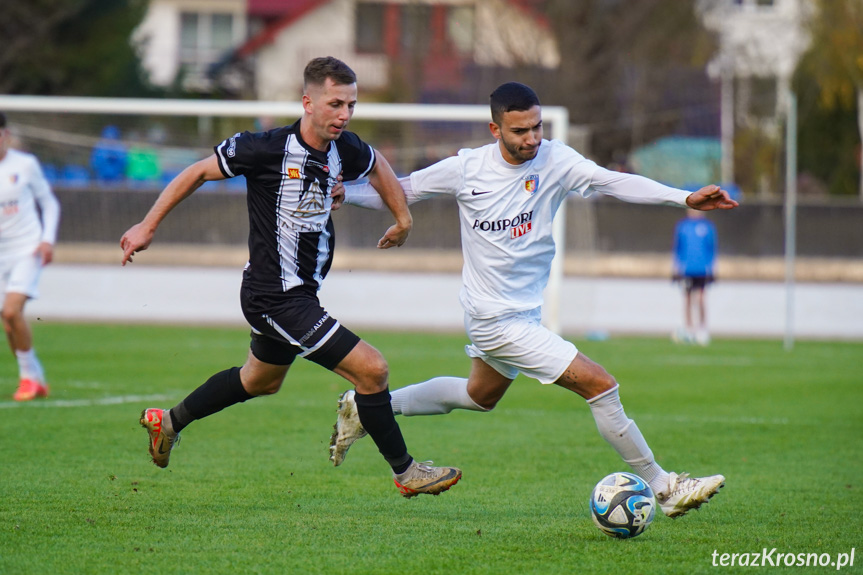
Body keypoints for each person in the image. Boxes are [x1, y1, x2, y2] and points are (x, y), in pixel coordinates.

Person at [330, 82, 738, 517]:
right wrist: (346, 194)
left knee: (479, 396)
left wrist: (683, 197)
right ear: (495, 129)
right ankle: (664, 486)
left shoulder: (556, 160)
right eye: (520, 130)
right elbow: (403, 190)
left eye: (537, 127)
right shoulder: (466, 169)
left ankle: (367, 407)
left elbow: (611, 181)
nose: (532, 138)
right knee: (600, 384)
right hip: (493, 317)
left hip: (522, 311)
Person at [120, 57, 461, 498]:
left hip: (301, 294)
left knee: (260, 380)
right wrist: (148, 226)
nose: (344, 114)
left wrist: (403, 219)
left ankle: (167, 422)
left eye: (351, 105)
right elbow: (196, 171)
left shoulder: (345, 148)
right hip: (275, 297)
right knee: (372, 370)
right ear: (307, 102)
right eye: (335, 103)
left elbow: (377, 166)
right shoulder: (263, 148)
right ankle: (407, 472)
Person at [0, 112, 61, 401]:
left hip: (27, 248)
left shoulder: (24, 165)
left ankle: (29, 379)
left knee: (12, 311)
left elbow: (49, 203)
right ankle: (35, 378)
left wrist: (47, 240)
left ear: (6, 136)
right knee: (7, 320)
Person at [672, 209, 717, 346]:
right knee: (687, 298)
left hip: (702, 269)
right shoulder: (682, 226)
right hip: (687, 269)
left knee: (701, 298)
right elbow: (677, 248)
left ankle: (702, 328)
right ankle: (689, 328)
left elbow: (712, 248)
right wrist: (676, 267)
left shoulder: (707, 226)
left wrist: (711, 268)